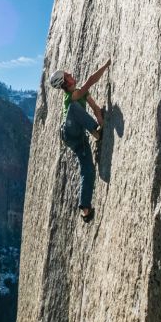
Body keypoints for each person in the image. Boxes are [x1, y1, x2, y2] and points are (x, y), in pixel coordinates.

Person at [48, 59, 111, 221]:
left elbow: (95, 108)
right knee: (74, 107)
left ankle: (85, 209)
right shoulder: (71, 96)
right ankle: (95, 134)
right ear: (64, 82)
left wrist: (101, 122)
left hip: (78, 137)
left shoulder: (80, 93)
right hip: (69, 132)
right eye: (68, 75)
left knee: (88, 169)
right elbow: (90, 81)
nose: (71, 74)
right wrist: (106, 65)